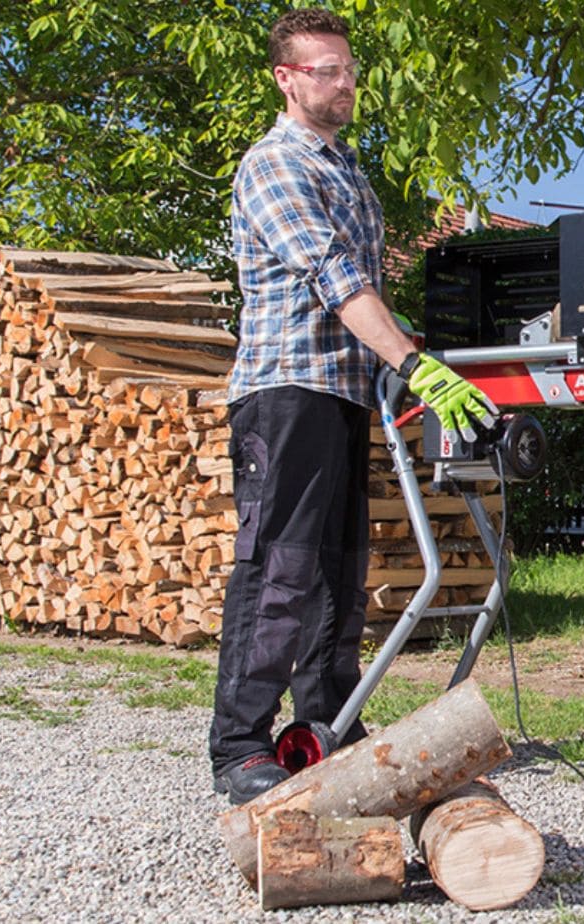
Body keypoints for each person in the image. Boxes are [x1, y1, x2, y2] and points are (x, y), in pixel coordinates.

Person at [209, 8, 499, 805]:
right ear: (287, 77)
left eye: (348, 69)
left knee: (342, 572)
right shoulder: (275, 165)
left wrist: (425, 358)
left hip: (341, 393)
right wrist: (412, 363)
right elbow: (335, 279)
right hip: (284, 393)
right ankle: (238, 745)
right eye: (326, 70)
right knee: (279, 569)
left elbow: (370, 291)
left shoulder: (347, 171)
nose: (344, 83)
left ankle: (328, 723)